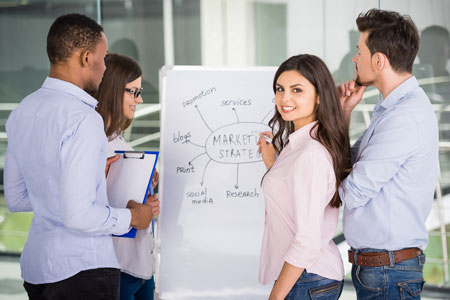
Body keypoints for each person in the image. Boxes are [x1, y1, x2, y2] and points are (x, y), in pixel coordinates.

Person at [4, 14, 154, 300]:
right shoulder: (83, 119)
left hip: (37, 271)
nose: (105, 67)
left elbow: (17, 198)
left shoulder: (23, 111)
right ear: (87, 58)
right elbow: (79, 215)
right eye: (104, 58)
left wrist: (94, 177)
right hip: (83, 270)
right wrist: (134, 217)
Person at [338, 9, 439, 299]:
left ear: (378, 60)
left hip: (388, 272)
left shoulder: (404, 116)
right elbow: (348, 162)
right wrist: (344, 112)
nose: (355, 59)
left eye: (359, 52)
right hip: (382, 271)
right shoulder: (391, 110)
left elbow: (353, 192)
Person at [258, 54, 351, 299]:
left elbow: (306, 241)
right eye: (280, 89)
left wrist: (275, 297)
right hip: (307, 275)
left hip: (308, 275)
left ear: (319, 96)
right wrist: (273, 164)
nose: (284, 98)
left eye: (296, 90)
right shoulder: (300, 144)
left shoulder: (310, 153)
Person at [95, 53, 160, 300]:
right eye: (133, 92)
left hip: (140, 267)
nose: (140, 99)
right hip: (115, 269)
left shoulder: (120, 141)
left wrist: (146, 187)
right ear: (112, 89)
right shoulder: (93, 145)